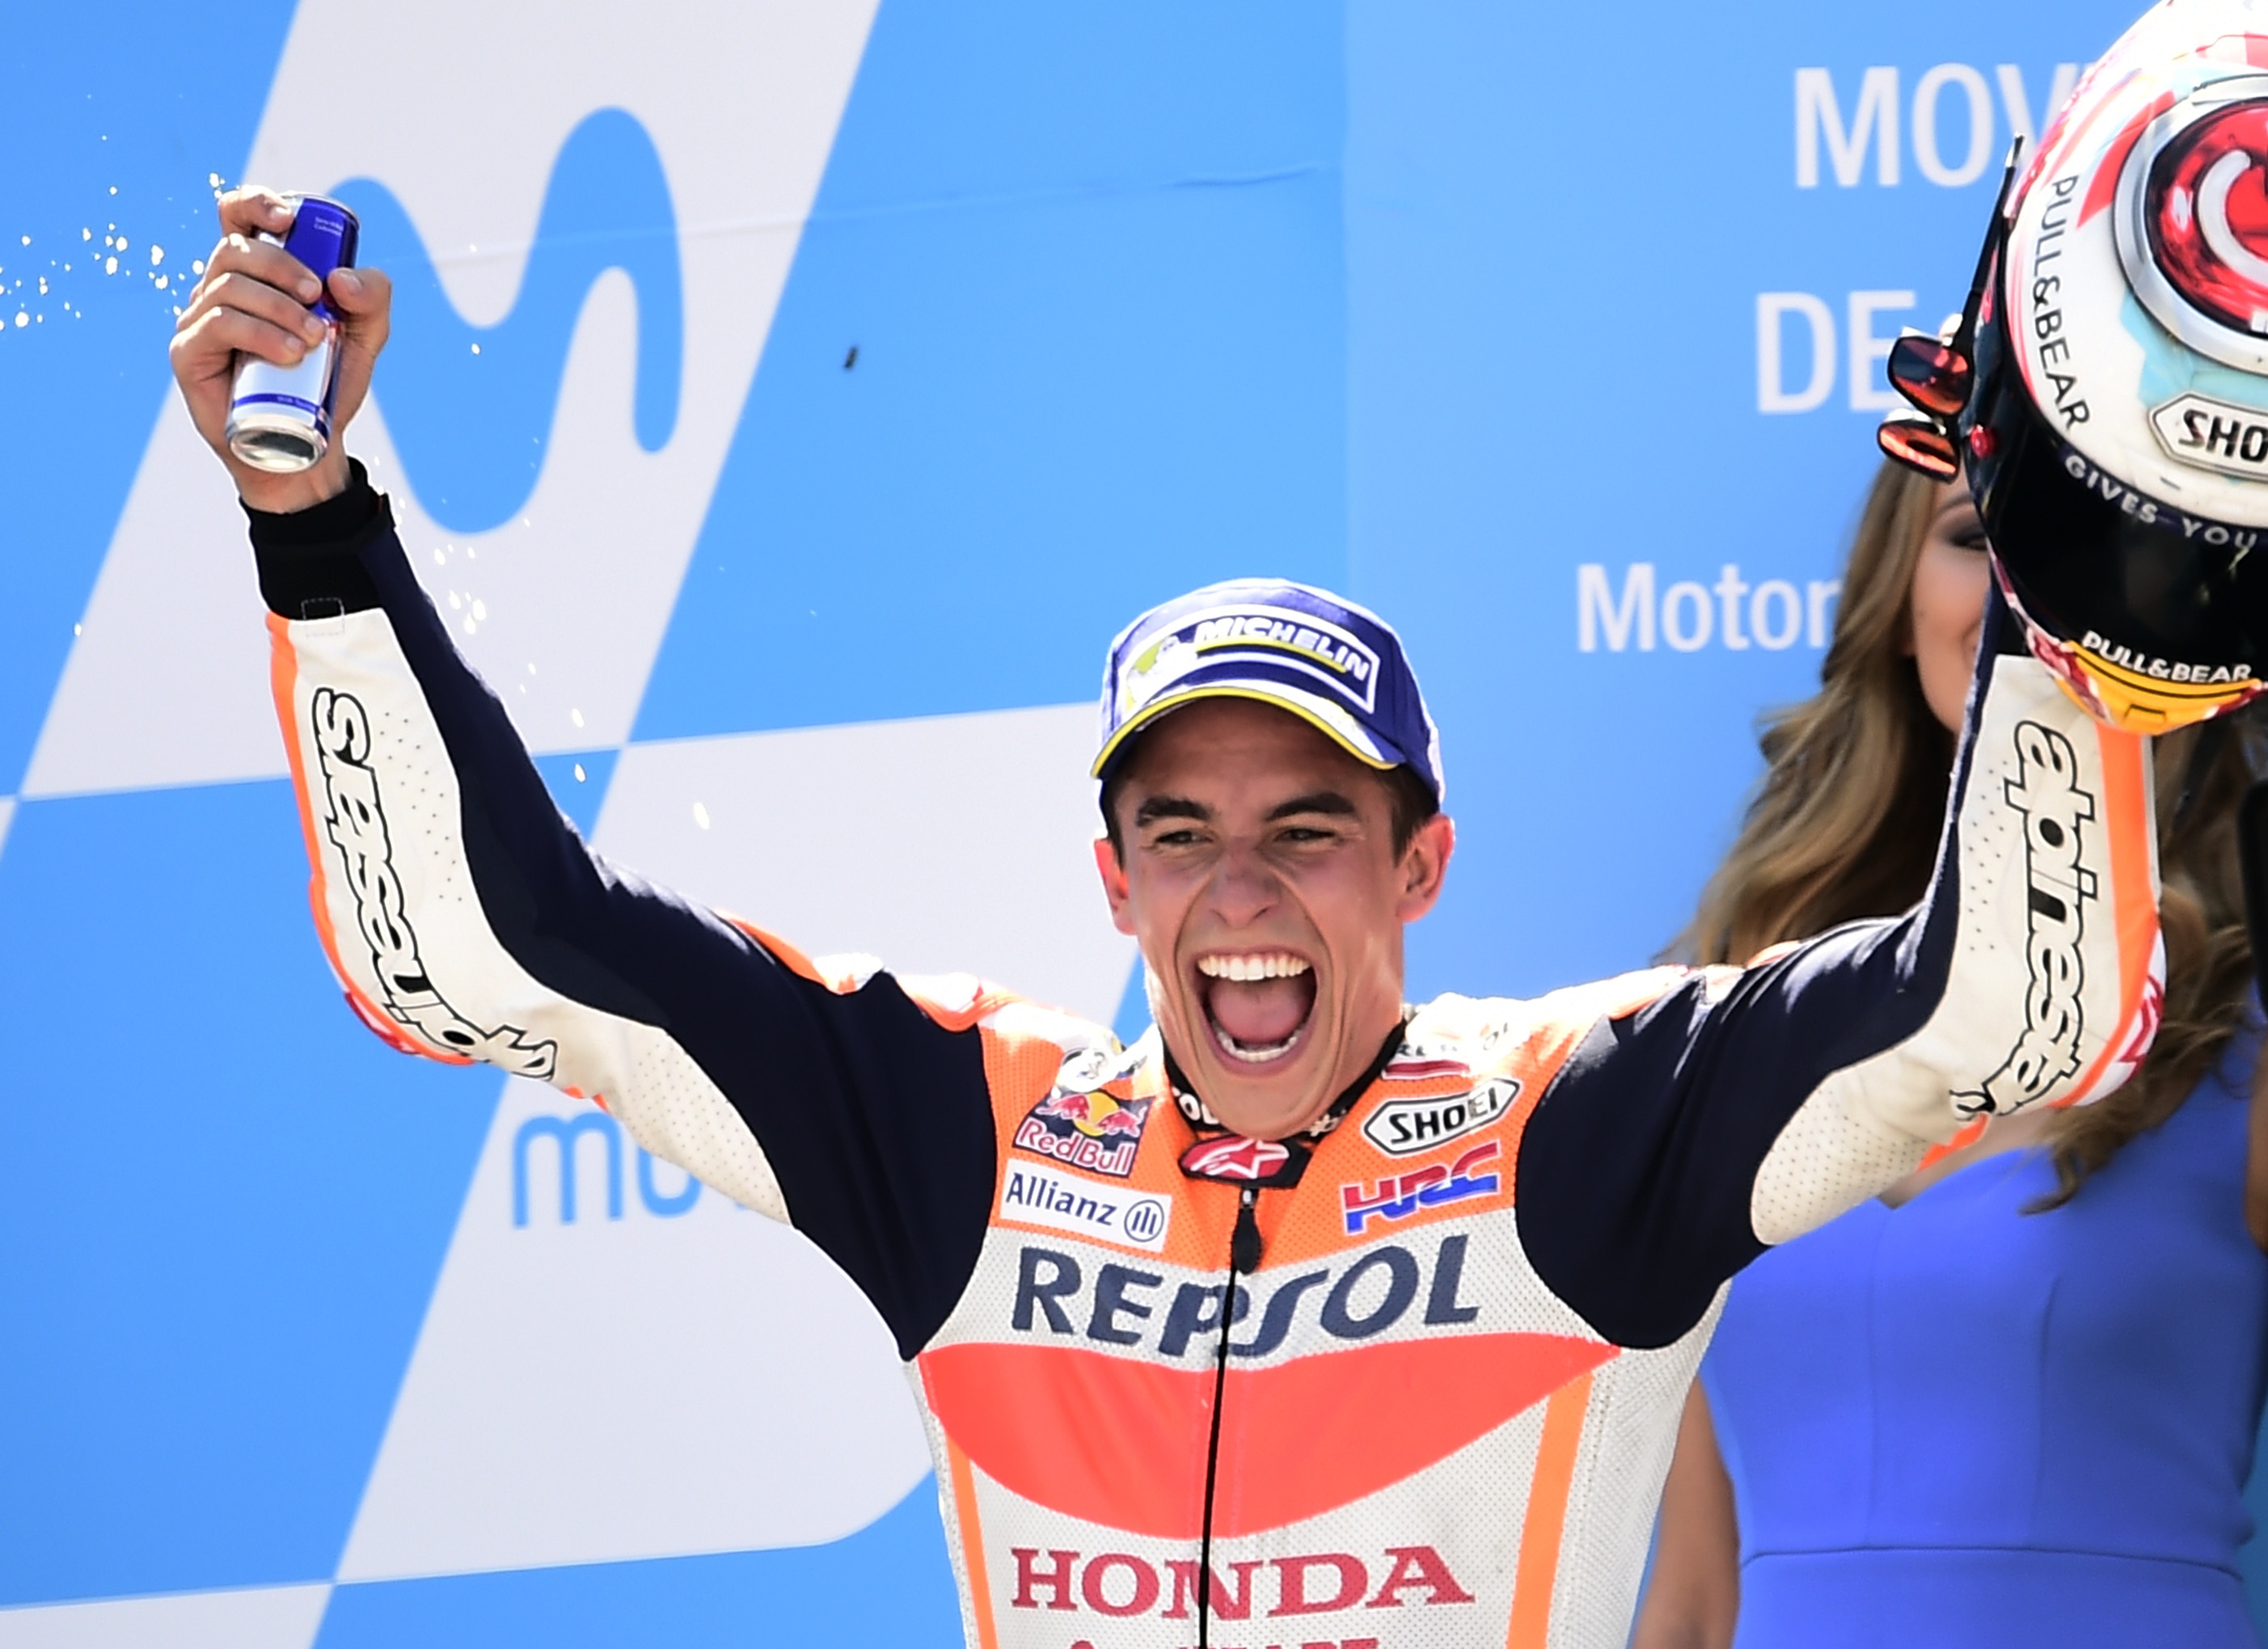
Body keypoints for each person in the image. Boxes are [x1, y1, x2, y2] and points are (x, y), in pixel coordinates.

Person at [170, 188, 2166, 1648]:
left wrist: (2072, 572)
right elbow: (486, 951)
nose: (1239, 894)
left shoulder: (1577, 1123)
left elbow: (2006, 1007)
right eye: (1181, 832)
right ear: (1107, 879)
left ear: (1420, 867)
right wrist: (314, 522)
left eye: (1307, 829)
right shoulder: (959, 1125)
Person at [1632, 466, 2268, 1649]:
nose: (2032, 602)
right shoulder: (1723, 1020)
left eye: (2102, 548)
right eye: (1977, 537)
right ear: (1897, 593)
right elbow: (1694, 1603)